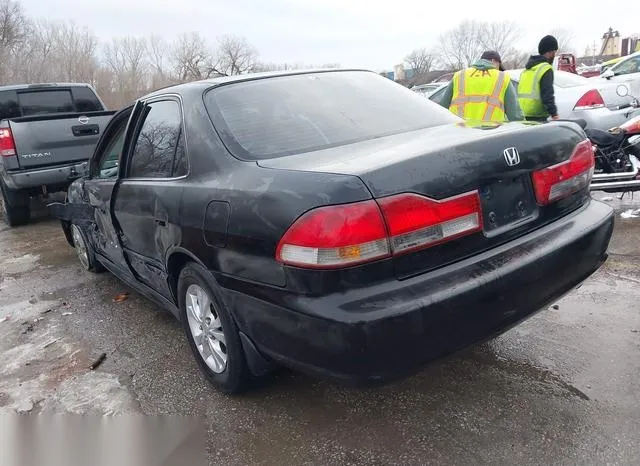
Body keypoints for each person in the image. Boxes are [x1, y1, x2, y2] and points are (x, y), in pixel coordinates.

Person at [438, 51, 523, 122]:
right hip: (489, 134)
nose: (498, 69)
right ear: (494, 61)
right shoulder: (502, 77)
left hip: (460, 131)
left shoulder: (459, 75)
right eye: (499, 66)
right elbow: (515, 114)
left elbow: (442, 108)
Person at [518, 35, 560, 121]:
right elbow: (547, 94)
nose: (554, 55)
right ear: (549, 52)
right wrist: (554, 113)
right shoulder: (545, 68)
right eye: (554, 52)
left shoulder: (526, 69)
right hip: (538, 115)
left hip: (523, 114)